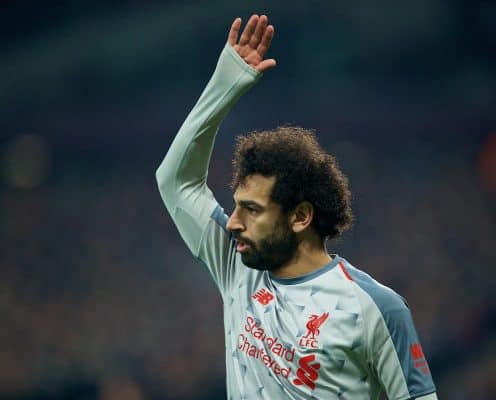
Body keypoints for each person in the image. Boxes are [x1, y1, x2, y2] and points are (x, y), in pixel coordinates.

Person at [156, 14, 438, 400]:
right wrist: (226, 84)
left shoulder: (376, 308)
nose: (233, 222)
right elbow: (175, 181)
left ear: (301, 216)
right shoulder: (237, 268)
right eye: (236, 206)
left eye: (252, 210)